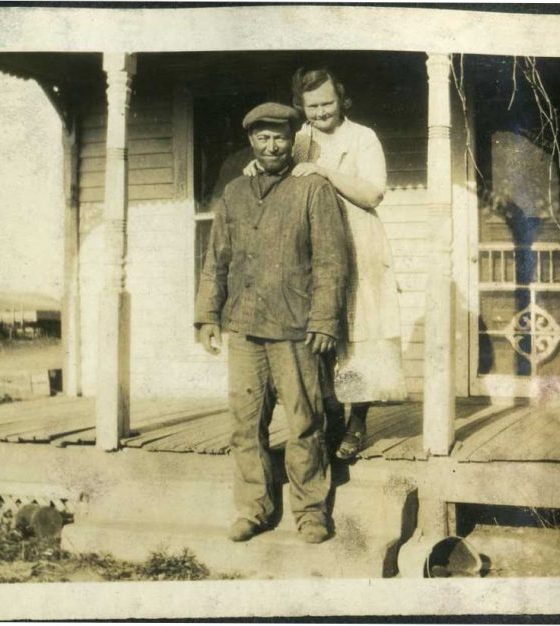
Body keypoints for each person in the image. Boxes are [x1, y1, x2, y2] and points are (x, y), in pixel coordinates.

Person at [194, 102, 349, 544]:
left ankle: (311, 512)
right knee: (245, 425)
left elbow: (331, 262)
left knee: (304, 422)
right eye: (263, 137)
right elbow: (216, 259)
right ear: (251, 141)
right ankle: (254, 509)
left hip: (296, 327)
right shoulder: (234, 195)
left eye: (280, 136)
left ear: (292, 139)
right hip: (243, 328)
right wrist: (207, 314)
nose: (272, 145)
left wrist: (324, 320)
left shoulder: (313, 189)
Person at [246, 67, 407, 461]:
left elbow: (372, 193)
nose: (320, 112)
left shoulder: (362, 137)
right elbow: (279, 170)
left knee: (358, 333)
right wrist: (256, 168)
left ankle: (357, 423)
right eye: (312, 105)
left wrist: (323, 170)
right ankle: (332, 416)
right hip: (312, 250)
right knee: (320, 334)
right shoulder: (298, 140)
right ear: (302, 106)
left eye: (327, 103)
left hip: (358, 244)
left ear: (341, 100)